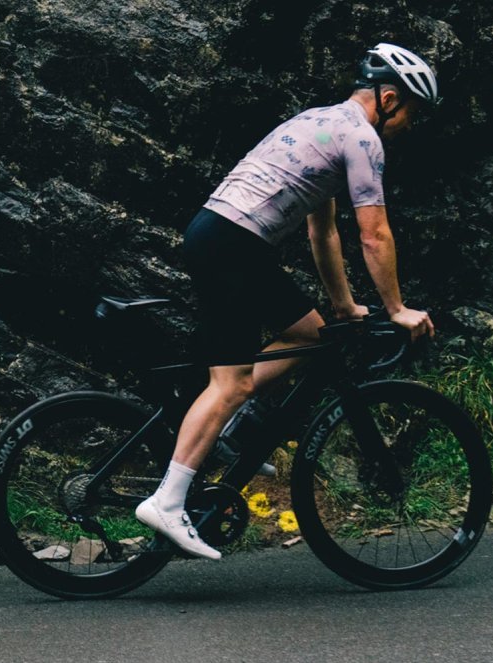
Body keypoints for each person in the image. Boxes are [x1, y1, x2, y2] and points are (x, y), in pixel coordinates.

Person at [136, 44, 441, 560]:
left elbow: (322, 233)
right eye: (412, 113)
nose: (411, 125)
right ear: (389, 99)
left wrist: (344, 309)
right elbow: (375, 235)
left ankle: (222, 427)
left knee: (309, 335)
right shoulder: (363, 140)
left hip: (222, 237)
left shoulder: (318, 123)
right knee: (228, 385)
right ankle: (168, 501)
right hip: (234, 246)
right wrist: (397, 309)